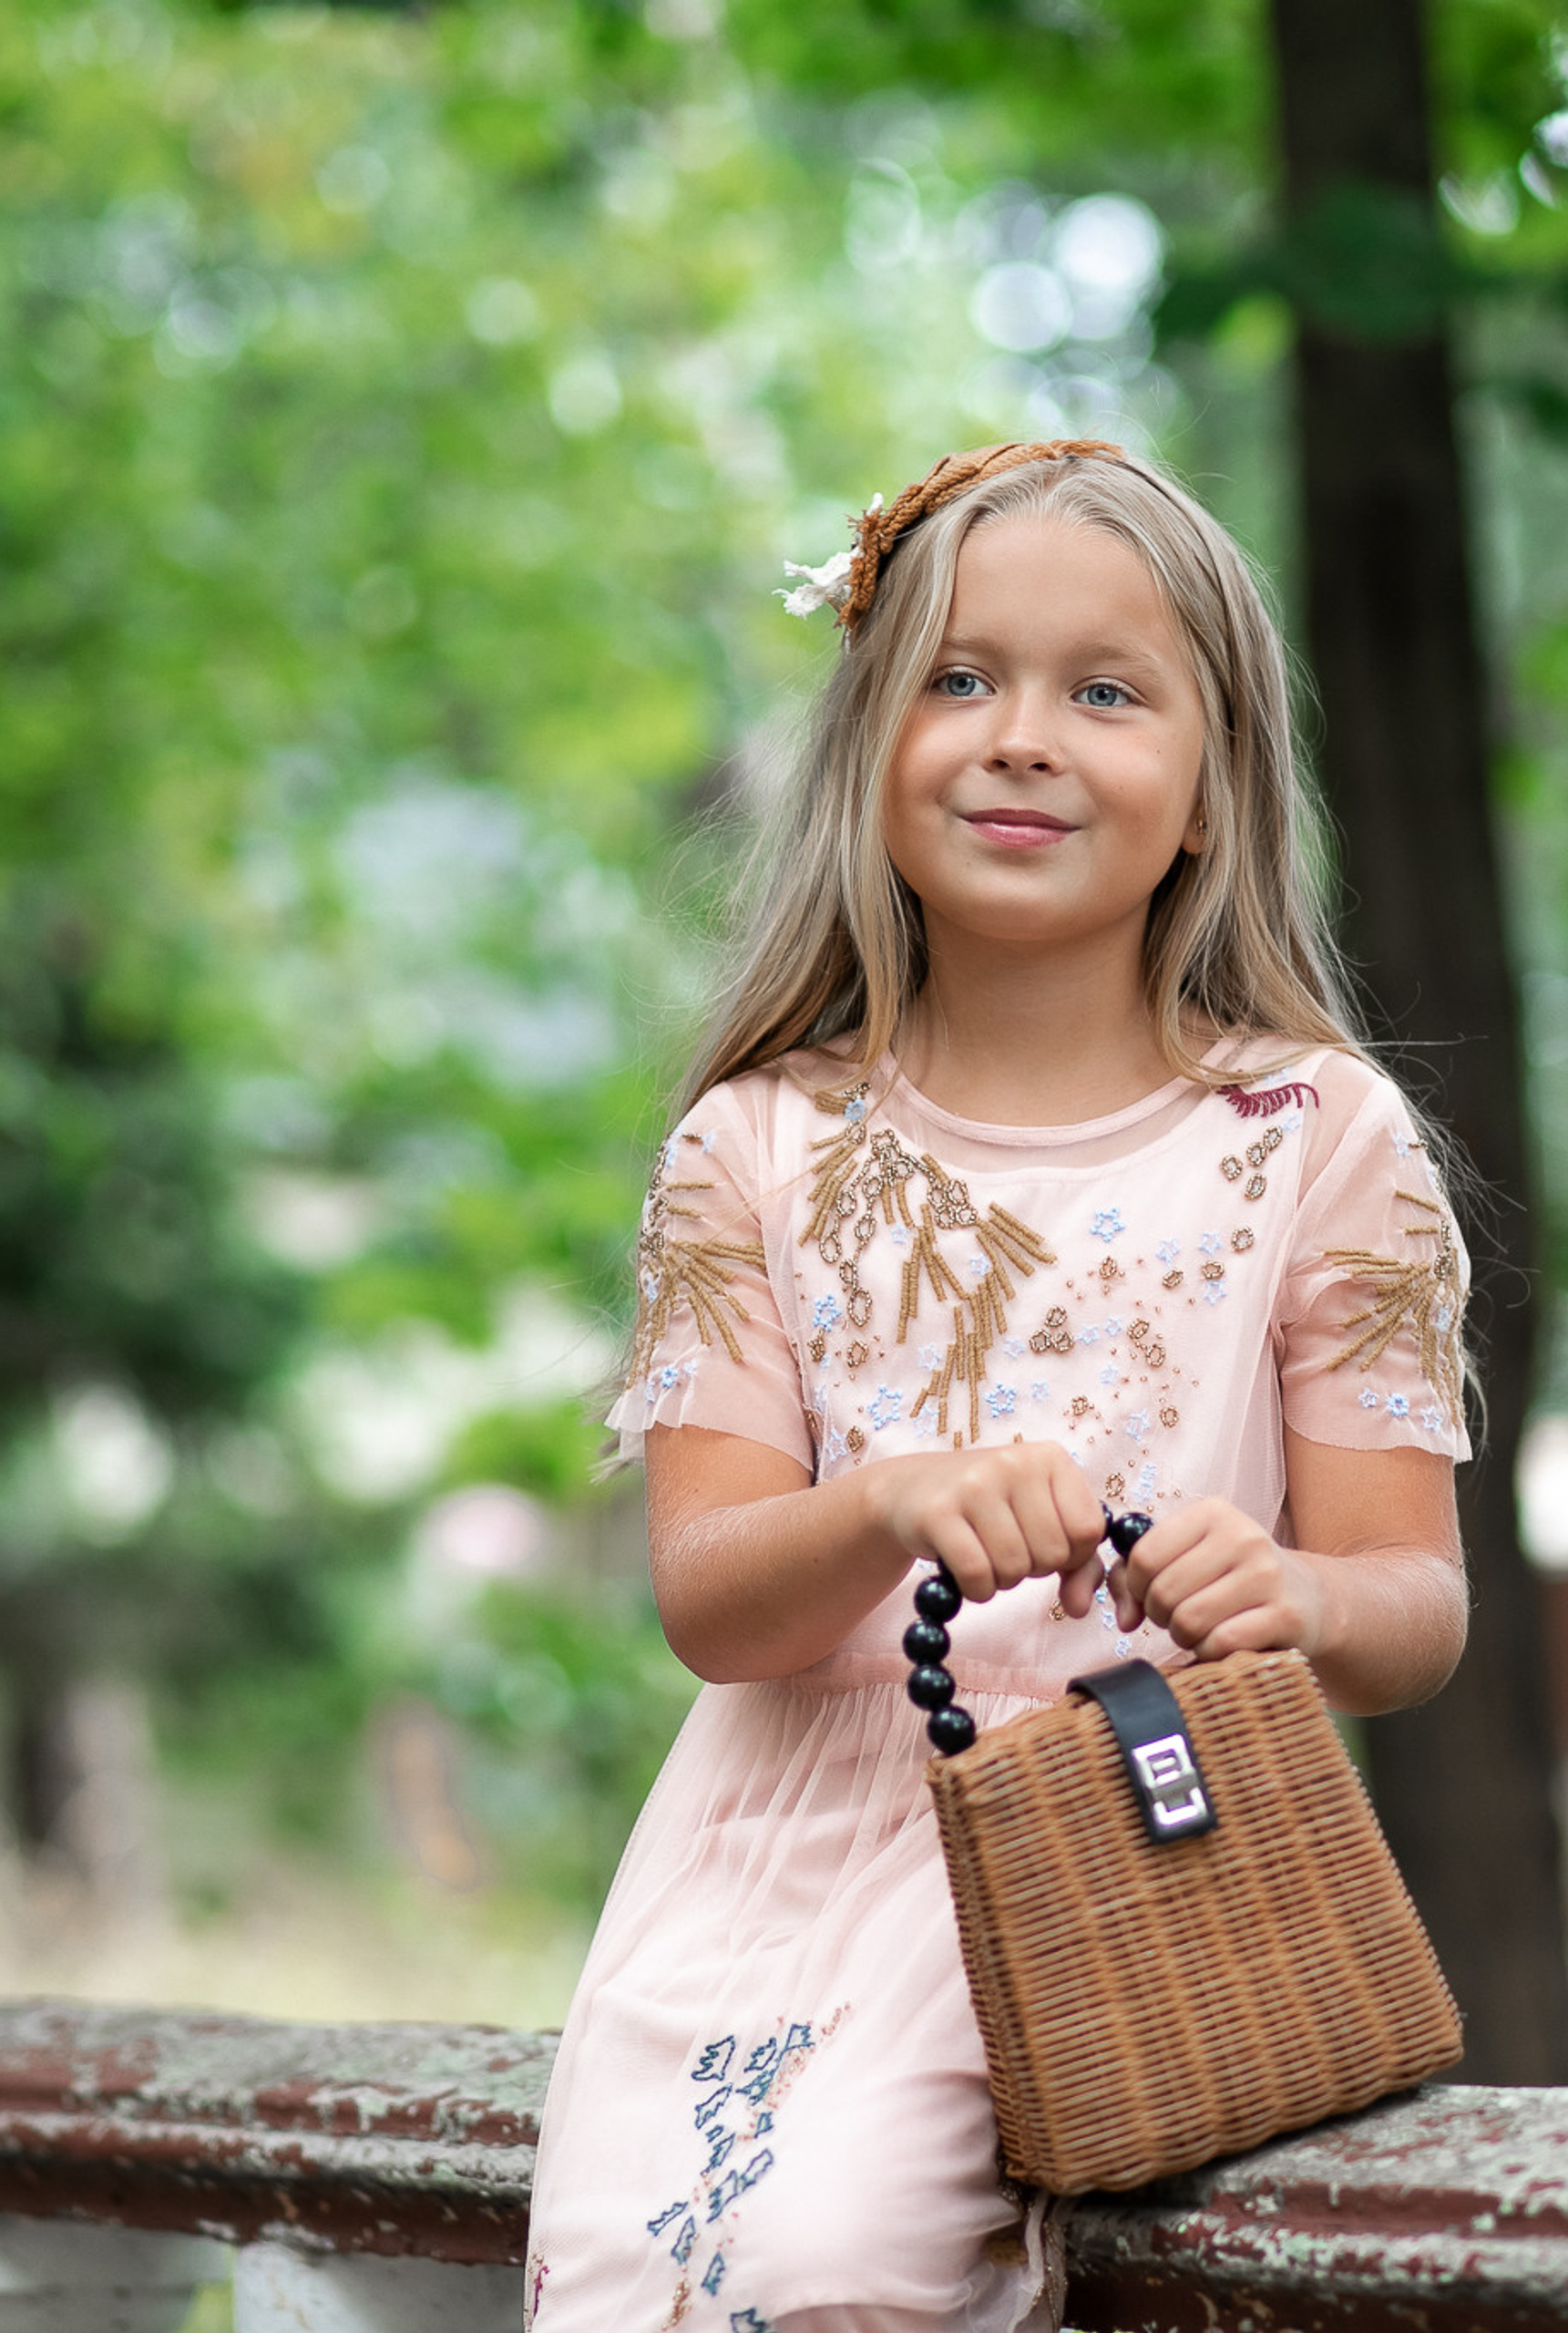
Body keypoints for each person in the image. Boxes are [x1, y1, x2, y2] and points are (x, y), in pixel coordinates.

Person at [524, 440, 1471, 2333]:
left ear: (1210, 792)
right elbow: (709, 1601)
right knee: (642, 2264)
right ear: (870, 748)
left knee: (830, 2264)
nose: (1020, 735)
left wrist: (1287, 1596)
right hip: (763, 1867)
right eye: (958, 678)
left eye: (1103, 692)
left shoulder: (1315, 1138)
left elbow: (1412, 1601)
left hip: (1120, 1836)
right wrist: (887, 1498)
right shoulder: (755, 1146)